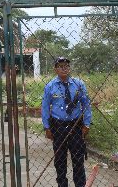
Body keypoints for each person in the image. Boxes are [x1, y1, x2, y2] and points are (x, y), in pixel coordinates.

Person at [41, 57, 92, 187]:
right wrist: (47, 127)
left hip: (75, 125)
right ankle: (62, 184)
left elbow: (86, 104)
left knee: (78, 159)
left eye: (66, 66)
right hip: (58, 127)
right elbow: (45, 108)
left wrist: (86, 123)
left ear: (69, 68)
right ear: (55, 69)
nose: (64, 68)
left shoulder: (79, 84)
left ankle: (80, 184)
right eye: (61, 66)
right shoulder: (50, 86)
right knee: (60, 160)